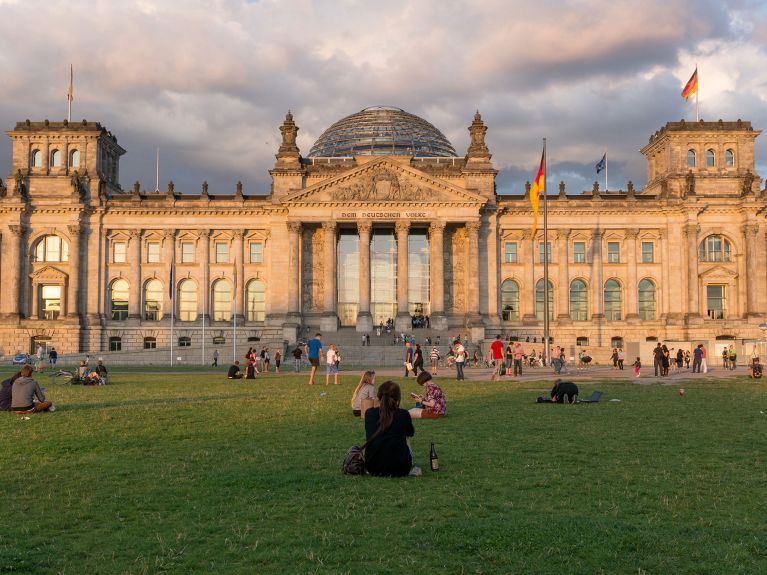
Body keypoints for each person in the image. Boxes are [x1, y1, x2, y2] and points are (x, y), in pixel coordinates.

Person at [364, 380, 419, 477]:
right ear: (397, 398)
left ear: (379, 397)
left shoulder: (369, 413)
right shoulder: (403, 414)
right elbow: (410, 433)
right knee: (405, 438)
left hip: (373, 468)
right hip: (400, 468)